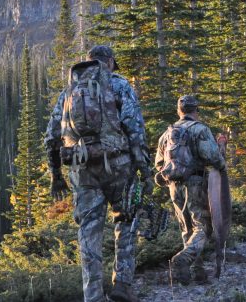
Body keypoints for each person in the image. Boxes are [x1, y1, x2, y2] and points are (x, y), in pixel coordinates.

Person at [44, 45, 152, 302]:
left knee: (89, 233)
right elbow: (134, 128)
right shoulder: (120, 85)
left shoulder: (69, 91)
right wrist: (144, 170)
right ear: (110, 62)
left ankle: (92, 295)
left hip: (82, 171)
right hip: (119, 165)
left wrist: (56, 175)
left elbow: (51, 137)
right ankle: (122, 284)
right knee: (125, 221)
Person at [154, 95, 227, 285]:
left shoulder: (167, 133)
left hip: (173, 186)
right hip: (195, 183)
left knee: (186, 227)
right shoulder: (200, 130)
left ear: (179, 111)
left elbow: (159, 163)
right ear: (196, 110)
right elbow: (213, 158)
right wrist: (221, 155)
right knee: (202, 226)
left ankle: (195, 272)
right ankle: (184, 258)